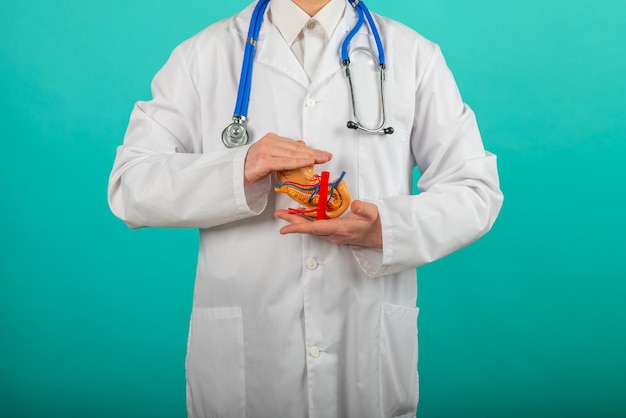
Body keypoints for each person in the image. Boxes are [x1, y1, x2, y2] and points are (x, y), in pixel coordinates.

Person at [108, 0, 503, 416]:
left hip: (365, 352)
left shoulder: (413, 56)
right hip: (246, 364)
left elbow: (475, 190)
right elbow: (130, 184)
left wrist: (385, 228)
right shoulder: (202, 56)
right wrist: (239, 168)